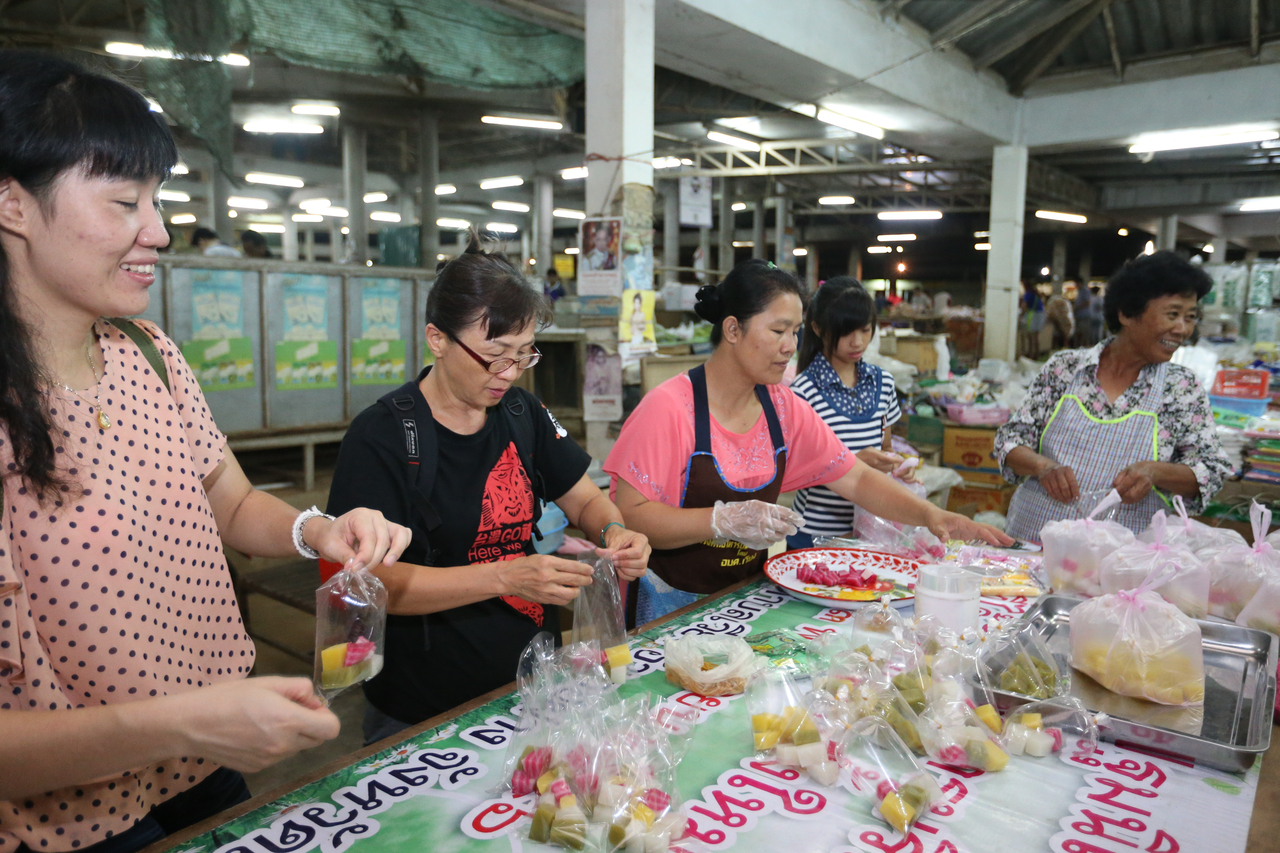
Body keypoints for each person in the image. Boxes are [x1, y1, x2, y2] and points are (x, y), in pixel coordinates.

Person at [0, 52, 412, 853]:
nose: (157, 230)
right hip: (73, 817)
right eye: (124, 202)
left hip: (206, 754)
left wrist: (316, 530)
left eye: (157, 201)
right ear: (11, 203)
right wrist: (191, 718)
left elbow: (229, 500)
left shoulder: (149, 353)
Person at [326, 234, 651, 744]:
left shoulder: (524, 414)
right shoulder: (384, 435)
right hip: (422, 709)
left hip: (533, 683)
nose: (509, 373)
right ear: (437, 338)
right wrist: (505, 577)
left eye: (524, 355)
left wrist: (614, 529)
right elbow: (376, 585)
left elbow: (584, 497)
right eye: (494, 356)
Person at [604, 260, 1009, 624]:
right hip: (667, 605)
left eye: (795, 332)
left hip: (742, 599)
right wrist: (719, 520)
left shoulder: (784, 409)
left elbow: (856, 479)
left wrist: (930, 516)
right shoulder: (670, 409)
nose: (790, 346)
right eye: (778, 331)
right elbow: (630, 516)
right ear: (732, 329)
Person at [996, 251, 1233, 540]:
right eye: (1172, 314)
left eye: (1190, 317)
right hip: (1034, 546)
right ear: (1127, 313)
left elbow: (1211, 469)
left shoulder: (1181, 389)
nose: (1182, 329)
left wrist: (1155, 472)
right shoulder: (1067, 369)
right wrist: (1042, 466)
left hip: (1123, 564)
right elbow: (1010, 441)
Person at [787, 278, 906, 549]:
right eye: (846, 332)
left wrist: (897, 467)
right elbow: (792, 472)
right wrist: (851, 464)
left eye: (865, 330)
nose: (857, 342)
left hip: (871, 532)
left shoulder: (883, 383)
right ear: (817, 328)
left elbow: (885, 447)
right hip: (814, 537)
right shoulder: (803, 392)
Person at [1018, 280, 1045, 359]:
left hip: (1032, 315)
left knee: (1031, 337)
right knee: (1036, 337)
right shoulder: (1036, 294)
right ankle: (1036, 354)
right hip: (1041, 315)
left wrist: (1021, 316)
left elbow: (1024, 306)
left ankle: (1031, 355)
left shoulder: (1028, 294)